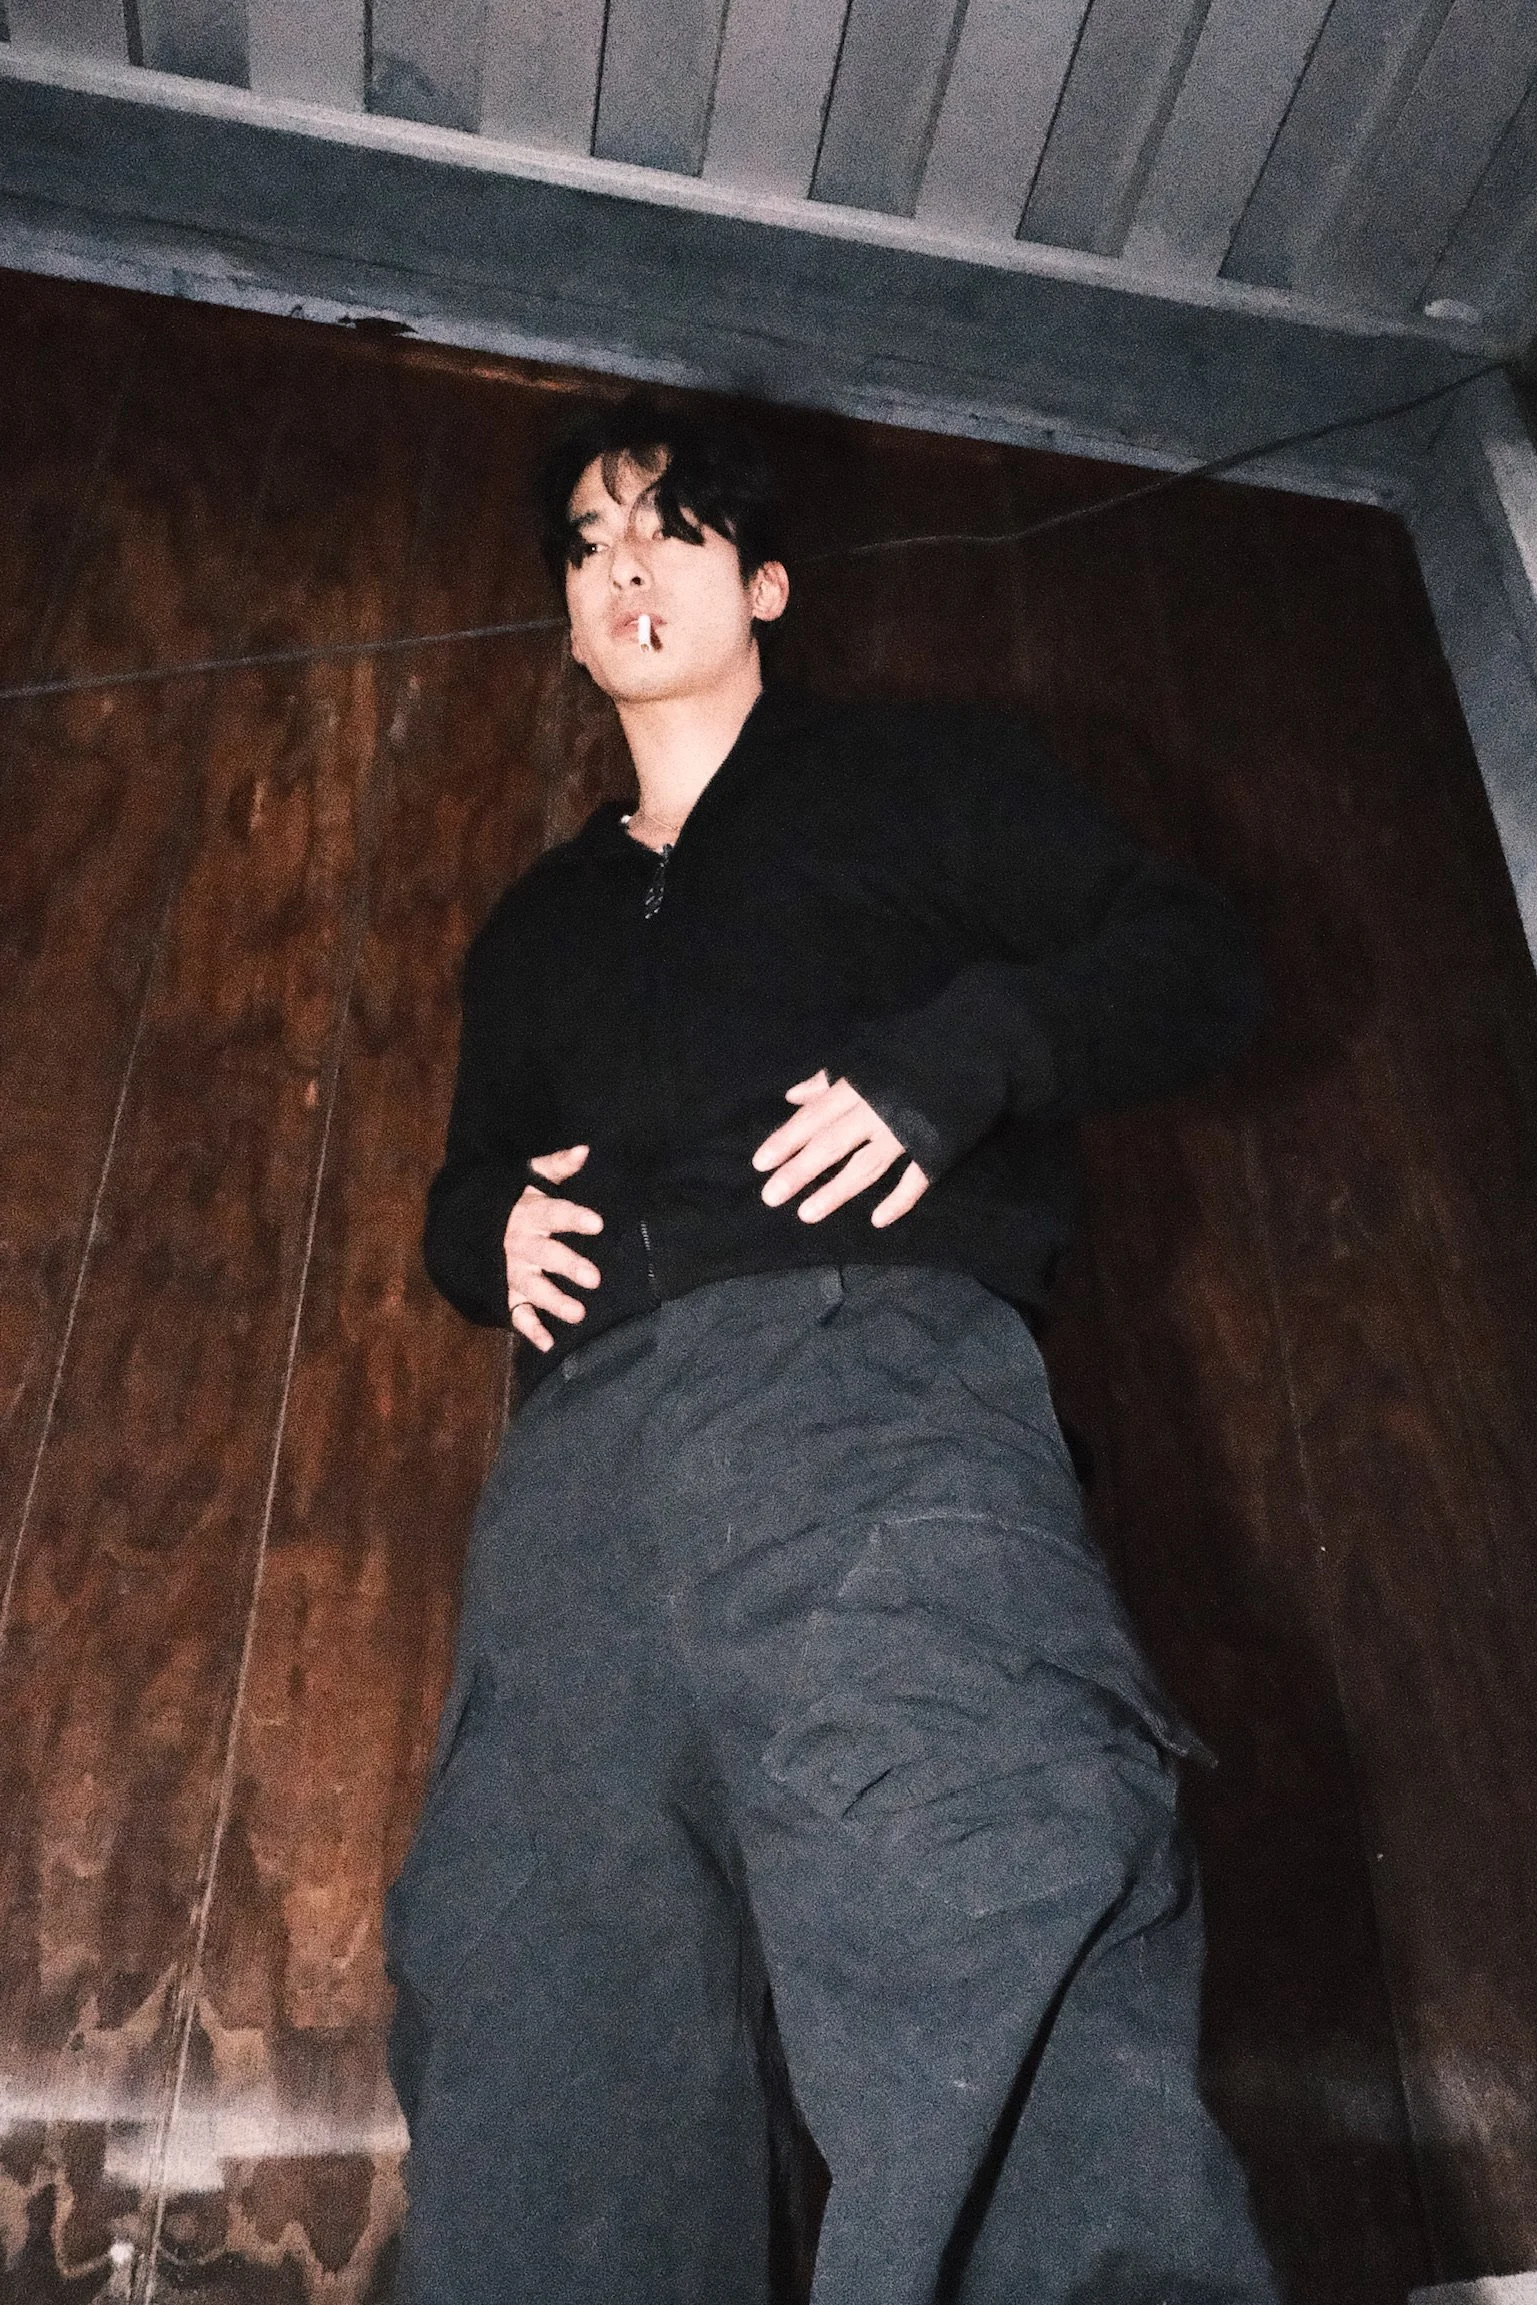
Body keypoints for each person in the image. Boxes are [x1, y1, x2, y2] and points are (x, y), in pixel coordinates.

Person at [384, 398, 1281, 2305]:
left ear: (768, 585)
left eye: (671, 528)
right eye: (588, 544)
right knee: (539, 2020)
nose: (625, 564)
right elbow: (473, 1176)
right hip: (578, 1481)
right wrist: (479, 1236)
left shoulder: (919, 780)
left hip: (868, 1396)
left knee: (980, 1908)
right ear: (568, 620)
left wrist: (965, 1055)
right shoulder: (530, 928)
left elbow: (1195, 956)